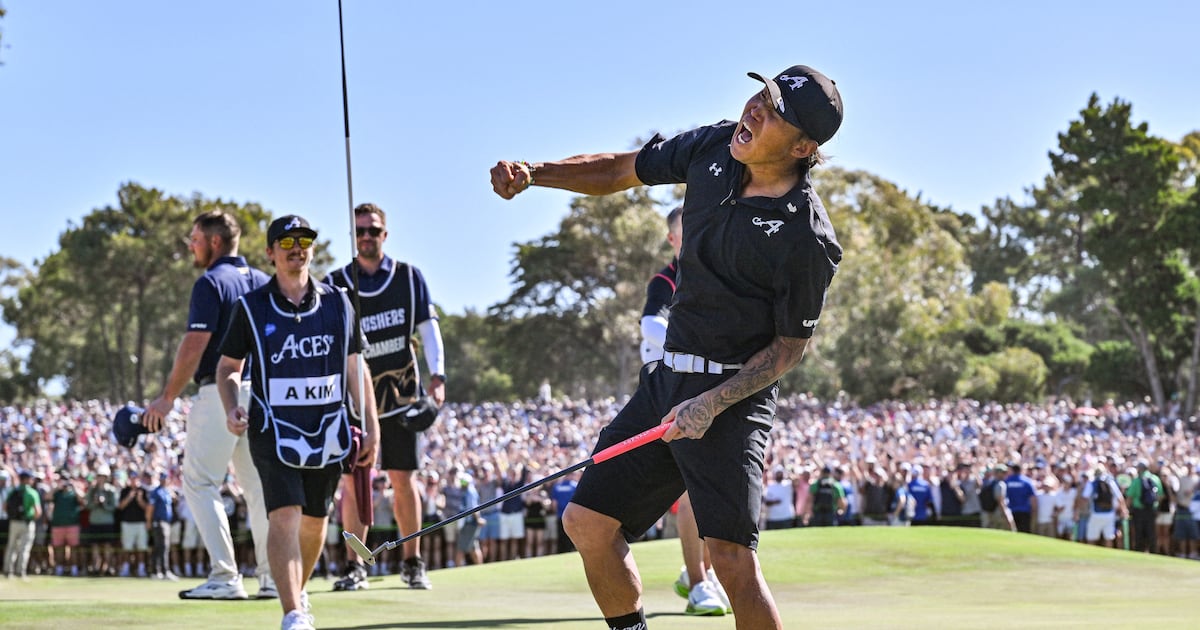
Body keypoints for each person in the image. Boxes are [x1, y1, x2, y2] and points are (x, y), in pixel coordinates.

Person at [490, 63, 844, 630]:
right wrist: (536, 172)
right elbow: (618, 170)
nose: (754, 109)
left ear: (803, 146)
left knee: (731, 561)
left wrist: (711, 404)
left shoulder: (806, 236)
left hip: (732, 400)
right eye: (760, 95)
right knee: (588, 522)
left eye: (773, 112)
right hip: (666, 381)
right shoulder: (713, 147)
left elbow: (786, 351)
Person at [216, 214, 380, 630]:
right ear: (270, 253)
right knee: (284, 515)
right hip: (272, 429)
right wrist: (232, 403)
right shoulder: (250, 307)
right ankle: (292, 613)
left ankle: (298, 592)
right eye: (285, 242)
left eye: (303, 239)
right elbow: (227, 367)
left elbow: (356, 368)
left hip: (329, 431)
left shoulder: (339, 303)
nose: (296, 247)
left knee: (314, 523)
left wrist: (372, 427)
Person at [142, 210, 275, 600]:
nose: (191, 246)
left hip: (220, 392)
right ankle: (271, 578)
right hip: (262, 398)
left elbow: (195, 345)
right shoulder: (266, 283)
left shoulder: (211, 282)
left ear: (215, 242)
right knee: (259, 490)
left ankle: (225, 576)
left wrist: (167, 398)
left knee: (199, 482)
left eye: (195, 239)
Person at [326, 202, 445, 591]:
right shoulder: (337, 283)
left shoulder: (409, 278)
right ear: (352, 235)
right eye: (360, 230)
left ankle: (412, 561)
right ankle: (355, 565)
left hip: (402, 399)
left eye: (373, 230)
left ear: (385, 235)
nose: (366, 236)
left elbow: (428, 329)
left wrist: (438, 378)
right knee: (354, 483)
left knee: (404, 480)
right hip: (356, 403)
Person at [639, 206, 730, 616]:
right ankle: (697, 585)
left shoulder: (719, 275)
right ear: (673, 240)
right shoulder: (666, 280)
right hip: (668, 387)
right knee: (693, 487)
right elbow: (651, 325)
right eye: (685, 232)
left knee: (714, 487)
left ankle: (698, 572)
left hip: (709, 389)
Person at [3, 470, 42, 578]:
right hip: (27, 523)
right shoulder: (32, 493)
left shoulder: (13, 491)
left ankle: (8, 571)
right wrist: (29, 519)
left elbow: (5, 507)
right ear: (26, 479)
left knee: (11, 547)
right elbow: (38, 512)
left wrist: (13, 516)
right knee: (24, 548)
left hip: (13, 522)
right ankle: (20, 572)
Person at [47, 472, 84, 576]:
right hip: (58, 525)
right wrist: (56, 487)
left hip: (72, 525)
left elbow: (82, 499)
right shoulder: (57, 493)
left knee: (73, 548)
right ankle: (59, 568)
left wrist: (74, 486)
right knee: (58, 548)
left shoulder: (74, 492)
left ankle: (74, 569)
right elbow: (47, 497)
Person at [1078, 466, 1126, 548]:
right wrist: (1124, 510)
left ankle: (1091, 556)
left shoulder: (1092, 483)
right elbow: (1120, 498)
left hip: (1095, 514)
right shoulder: (1110, 482)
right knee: (1108, 538)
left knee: (1091, 538)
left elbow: (1084, 498)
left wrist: (1078, 510)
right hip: (1110, 514)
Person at [146, 471, 177, 580]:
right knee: (161, 547)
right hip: (159, 522)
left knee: (162, 547)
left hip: (166, 522)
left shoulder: (167, 491)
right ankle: (162, 571)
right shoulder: (156, 492)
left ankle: (158, 571)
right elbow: (150, 508)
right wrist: (149, 521)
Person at [1004, 462, 1037, 534]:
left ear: (1012, 470)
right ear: (1021, 470)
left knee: (1012, 532)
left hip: (1011, 511)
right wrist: (1034, 511)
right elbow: (1033, 498)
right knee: (1024, 533)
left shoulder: (1007, 481)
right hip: (1024, 511)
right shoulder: (1027, 482)